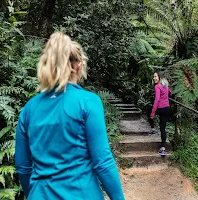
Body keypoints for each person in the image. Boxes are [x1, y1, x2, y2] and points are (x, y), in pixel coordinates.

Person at [15, 32, 125, 200]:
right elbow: (102, 163)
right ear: (79, 65)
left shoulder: (29, 109)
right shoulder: (88, 102)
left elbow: (23, 167)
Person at [147, 71, 171, 156]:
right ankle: (163, 148)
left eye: (155, 77)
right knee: (162, 128)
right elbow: (169, 92)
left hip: (160, 108)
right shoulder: (166, 86)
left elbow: (156, 100)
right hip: (167, 109)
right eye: (154, 77)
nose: (154, 78)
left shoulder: (157, 86)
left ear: (160, 77)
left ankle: (153, 128)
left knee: (148, 110)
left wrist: (153, 112)